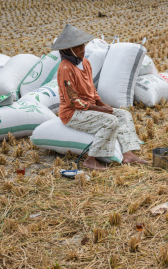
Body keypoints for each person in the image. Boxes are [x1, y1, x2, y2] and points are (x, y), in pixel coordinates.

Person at [52, 24, 147, 170]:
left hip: (90, 107)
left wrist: (102, 104)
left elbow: (92, 91)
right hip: (72, 113)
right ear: (68, 50)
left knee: (124, 114)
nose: (82, 50)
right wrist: (100, 110)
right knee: (110, 121)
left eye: (83, 46)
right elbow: (73, 101)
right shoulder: (65, 68)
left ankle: (127, 154)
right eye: (78, 48)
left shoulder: (85, 63)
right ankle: (91, 159)